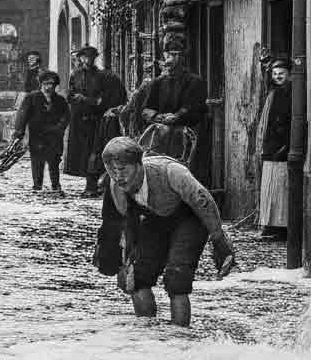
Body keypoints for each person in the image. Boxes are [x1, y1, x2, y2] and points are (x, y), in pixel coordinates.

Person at [98, 136, 236, 327]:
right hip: (153, 220)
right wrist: (125, 262)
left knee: (177, 278)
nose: (118, 177)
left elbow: (203, 202)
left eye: (122, 169)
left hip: (189, 218)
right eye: (111, 171)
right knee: (136, 278)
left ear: (138, 165)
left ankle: (179, 335)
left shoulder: (171, 172)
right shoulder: (116, 187)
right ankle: (147, 333)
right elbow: (121, 224)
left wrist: (219, 240)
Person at [126, 36, 209, 181]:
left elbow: (196, 107)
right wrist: (157, 117)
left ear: (182, 58)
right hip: (160, 129)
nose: (171, 60)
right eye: (169, 55)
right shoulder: (158, 83)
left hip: (185, 130)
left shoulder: (194, 82)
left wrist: (177, 116)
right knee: (150, 152)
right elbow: (146, 110)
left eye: (176, 55)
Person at [65, 45, 126, 197]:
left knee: (95, 152)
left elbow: (104, 100)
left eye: (90, 57)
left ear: (94, 58)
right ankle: (91, 185)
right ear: (80, 58)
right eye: (84, 57)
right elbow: (70, 95)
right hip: (80, 120)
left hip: (96, 120)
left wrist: (87, 100)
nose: (87, 60)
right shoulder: (75, 75)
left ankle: (93, 185)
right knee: (83, 153)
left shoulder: (103, 76)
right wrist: (75, 99)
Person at [12, 70, 70, 193]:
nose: (48, 87)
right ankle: (37, 185)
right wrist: (19, 134)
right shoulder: (31, 98)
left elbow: (66, 116)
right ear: (41, 84)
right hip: (37, 136)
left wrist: (59, 128)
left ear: (55, 86)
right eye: (45, 84)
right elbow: (22, 116)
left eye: (51, 84)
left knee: (54, 161)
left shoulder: (60, 100)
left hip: (54, 137)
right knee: (37, 161)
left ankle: (56, 185)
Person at [257, 59, 292, 239]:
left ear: (289, 74)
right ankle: (268, 224)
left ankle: (280, 227)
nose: (278, 77)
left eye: (281, 73)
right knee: (269, 186)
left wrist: (285, 145)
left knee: (280, 188)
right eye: (275, 74)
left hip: (282, 146)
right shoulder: (273, 92)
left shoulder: (290, 94)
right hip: (270, 145)